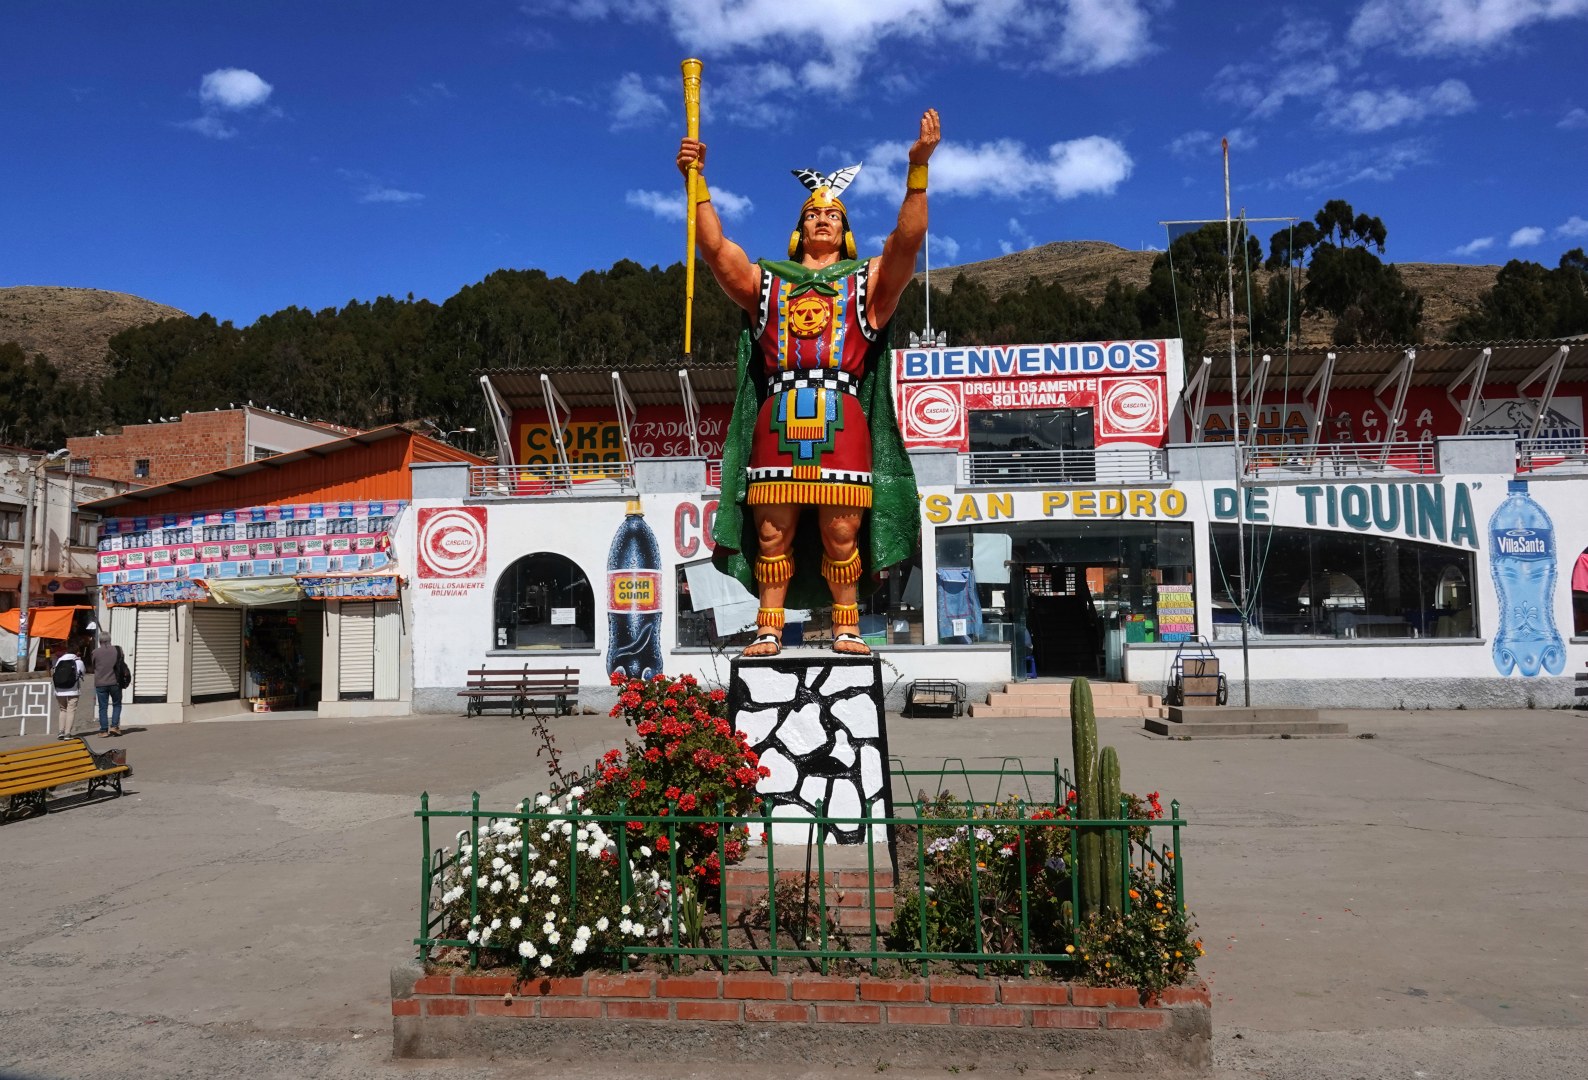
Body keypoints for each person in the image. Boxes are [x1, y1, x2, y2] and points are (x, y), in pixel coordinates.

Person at [679, 109, 939, 656]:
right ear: (799, 229)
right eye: (814, 213)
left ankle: (846, 626)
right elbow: (717, 251)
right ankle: (768, 627)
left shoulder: (867, 285)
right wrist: (696, 181)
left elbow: (908, 240)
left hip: (842, 416)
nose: (824, 220)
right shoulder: (768, 284)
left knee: (842, 532)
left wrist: (917, 170)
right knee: (772, 532)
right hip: (778, 414)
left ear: (845, 231)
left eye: (833, 214)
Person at [89, 631, 124, 737]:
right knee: (116, 704)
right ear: (110, 640)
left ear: (100, 641)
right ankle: (114, 726)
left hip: (100, 683)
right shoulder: (118, 650)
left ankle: (104, 730)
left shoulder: (95, 652)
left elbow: (93, 666)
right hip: (115, 682)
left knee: (103, 707)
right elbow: (121, 663)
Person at [51, 641, 86, 740]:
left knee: (63, 709)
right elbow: (83, 673)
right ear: (77, 652)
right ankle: (67, 733)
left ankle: (61, 732)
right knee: (71, 710)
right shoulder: (78, 661)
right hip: (73, 689)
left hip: (59, 689)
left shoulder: (59, 660)